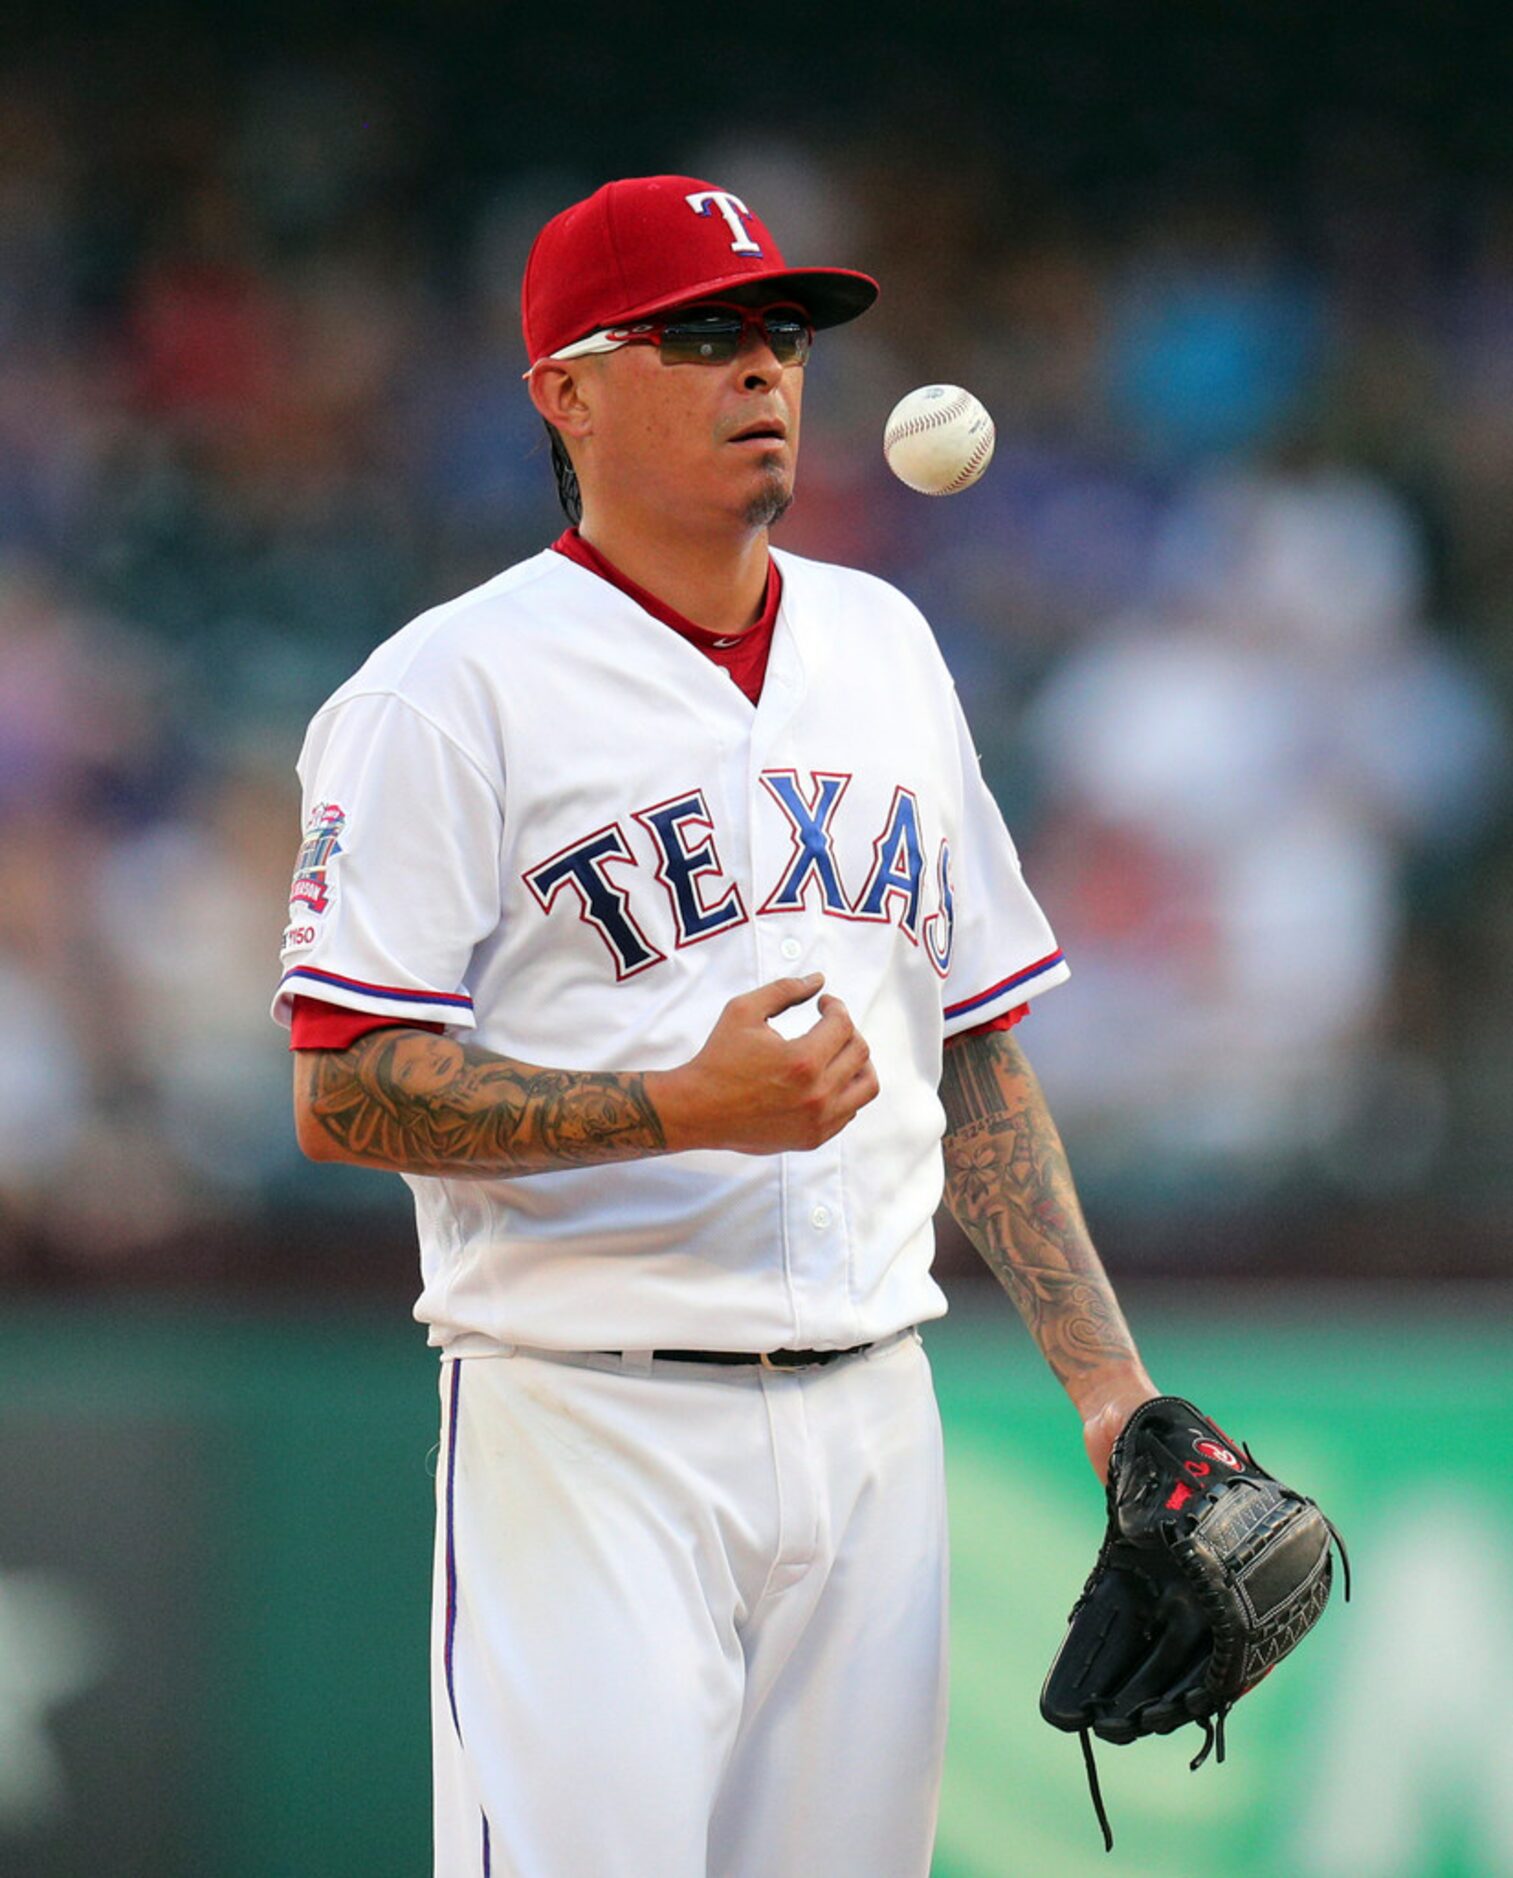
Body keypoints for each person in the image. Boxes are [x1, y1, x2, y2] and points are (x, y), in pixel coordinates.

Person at [275, 174, 1158, 1878]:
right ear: (566, 389)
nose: (763, 369)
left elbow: (970, 1044)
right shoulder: (442, 693)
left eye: (779, 333)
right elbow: (345, 1088)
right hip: (585, 1422)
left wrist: (1106, 1383)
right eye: (698, 336)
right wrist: (682, 1105)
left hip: (873, 1422)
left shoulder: (886, 644)